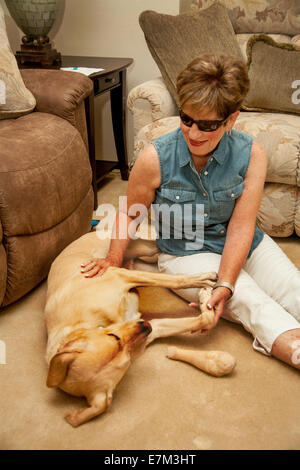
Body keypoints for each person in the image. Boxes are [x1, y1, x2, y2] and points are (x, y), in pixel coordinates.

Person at [81, 54, 300, 370]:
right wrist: (113, 260)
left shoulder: (252, 154)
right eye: (187, 119)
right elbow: (131, 213)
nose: (194, 133)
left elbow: (241, 227)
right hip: (187, 254)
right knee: (254, 302)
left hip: (245, 242)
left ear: (231, 119)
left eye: (208, 125)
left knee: (293, 287)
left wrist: (226, 279)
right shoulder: (154, 158)